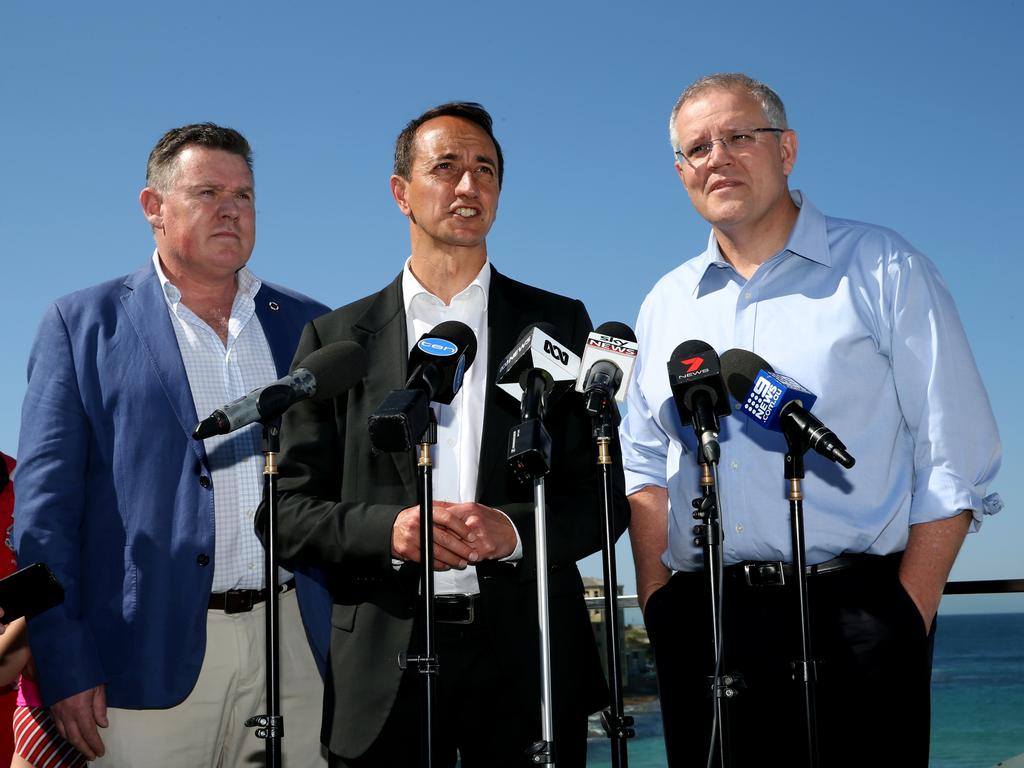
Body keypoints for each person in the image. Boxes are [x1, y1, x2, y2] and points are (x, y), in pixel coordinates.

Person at [621, 73, 1001, 767]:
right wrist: (657, 599)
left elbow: (956, 453)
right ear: (681, 173)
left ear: (786, 149)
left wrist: (905, 614)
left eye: (739, 136)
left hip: (857, 616)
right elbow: (643, 461)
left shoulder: (884, 267)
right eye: (696, 147)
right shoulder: (665, 302)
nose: (718, 157)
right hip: (706, 623)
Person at [264, 102, 629, 767]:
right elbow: (285, 513)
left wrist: (513, 530)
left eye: (485, 170)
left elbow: (602, 500)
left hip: (531, 665)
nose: (469, 186)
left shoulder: (559, 324)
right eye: (447, 167)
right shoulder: (336, 341)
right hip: (382, 668)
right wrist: (390, 531)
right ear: (401, 192)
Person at [13, 123, 333, 767]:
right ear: (153, 207)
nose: (230, 210)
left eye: (243, 196)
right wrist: (63, 660)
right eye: (208, 191)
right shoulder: (79, 326)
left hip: (296, 647)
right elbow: (40, 523)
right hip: (142, 662)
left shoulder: (310, 326)